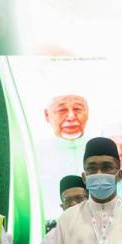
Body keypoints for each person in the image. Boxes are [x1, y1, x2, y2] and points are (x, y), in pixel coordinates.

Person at [38, 94, 89, 225]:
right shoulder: (37, 154)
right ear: (46, 115)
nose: (71, 117)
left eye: (78, 109)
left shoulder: (100, 150)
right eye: (62, 110)